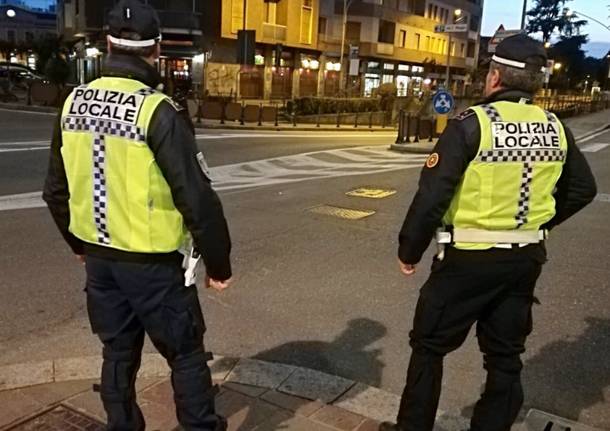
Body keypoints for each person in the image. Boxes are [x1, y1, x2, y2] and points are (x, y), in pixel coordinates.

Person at [380, 34, 597, 431]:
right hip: (524, 260)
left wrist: (409, 250)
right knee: (505, 356)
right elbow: (584, 189)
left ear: (495, 77)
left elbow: (432, 196)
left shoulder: (471, 125)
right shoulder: (554, 127)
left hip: (466, 260)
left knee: (428, 348)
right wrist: (536, 222)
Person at [42, 1, 232, 430]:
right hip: (155, 267)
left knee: (117, 353)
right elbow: (196, 197)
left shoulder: (72, 103)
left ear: (106, 43)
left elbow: (55, 191)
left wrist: (79, 245)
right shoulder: (158, 110)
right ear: (157, 48)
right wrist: (219, 264)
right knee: (185, 355)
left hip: (101, 264)